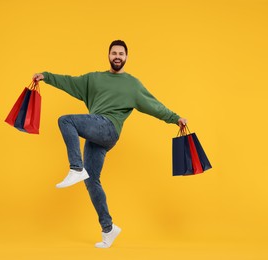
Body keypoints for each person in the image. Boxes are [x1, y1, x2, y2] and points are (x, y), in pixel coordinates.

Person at [32, 40, 187, 248]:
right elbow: (69, 82)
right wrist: (47, 77)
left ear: (126, 57)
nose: (117, 56)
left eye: (121, 54)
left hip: (109, 128)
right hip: (96, 132)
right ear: (108, 55)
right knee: (91, 180)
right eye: (114, 53)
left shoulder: (133, 85)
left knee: (66, 120)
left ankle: (75, 168)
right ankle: (108, 228)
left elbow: (154, 106)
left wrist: (175, 118)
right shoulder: (94, 79)